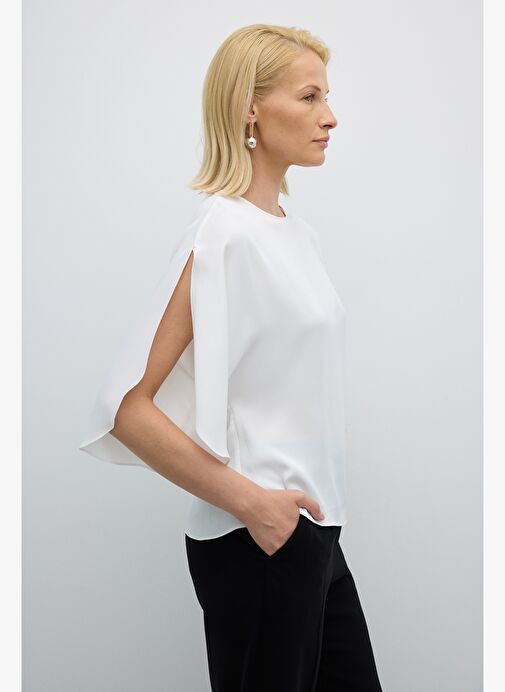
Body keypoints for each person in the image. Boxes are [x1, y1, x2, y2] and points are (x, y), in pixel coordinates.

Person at [78, 23, 383, 692]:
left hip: (312, 533)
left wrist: (293, 524)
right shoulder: (223, 235)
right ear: (250, 107)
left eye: (326, 96)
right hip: (259, 541)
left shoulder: (295, 236)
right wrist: (253, 505)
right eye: (308, 97)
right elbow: (125, 407)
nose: (329, 117)